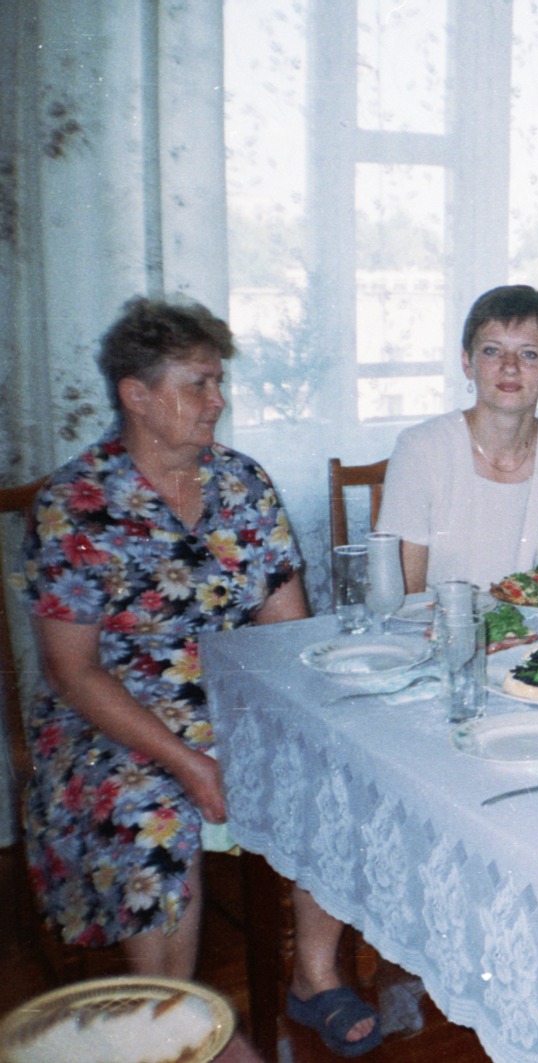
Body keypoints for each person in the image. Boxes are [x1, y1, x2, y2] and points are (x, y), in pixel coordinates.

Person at [22, 297, 380, 1057]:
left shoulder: (244, 485)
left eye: (219, 383)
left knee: (340, 755)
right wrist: (189, 760)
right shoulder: (76, 505)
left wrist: (309, 719)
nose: (218, 401)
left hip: (231, 693)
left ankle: (313, 975)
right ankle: (177, 1026)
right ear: (137, 394)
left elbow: (288, 631)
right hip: (112, 719)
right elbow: (72, 670)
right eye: (199, 384)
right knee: (154, 809)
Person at [378, 284, 538, 591]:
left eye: (529, 354)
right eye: (492, 350)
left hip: (531, 637)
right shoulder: (421, 449)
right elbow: (404, 596)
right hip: (434, 631)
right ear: (467, 363)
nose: (510, 367)